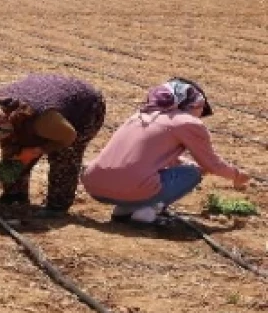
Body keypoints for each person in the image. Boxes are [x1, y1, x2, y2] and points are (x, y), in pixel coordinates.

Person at [82, 78, 250, 225]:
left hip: (94, 186)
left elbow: (151, 157)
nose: (201, 114)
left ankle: (124, 209)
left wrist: (188, 163)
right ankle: (149, 211)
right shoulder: (187, 122)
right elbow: (211, 164)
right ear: (191, 104)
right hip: (133, 187)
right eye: (201, 107)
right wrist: (237, 175)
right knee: (192, 173)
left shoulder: (140, 116)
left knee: (163, 171)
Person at [0, 73, 105, 216]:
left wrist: (37, 150)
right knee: (14, 152)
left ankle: (57, 206)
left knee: (64, 154)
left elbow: (69, 136)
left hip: (86, 108)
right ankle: (15, 197)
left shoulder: (42, 121)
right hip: (47, 99)